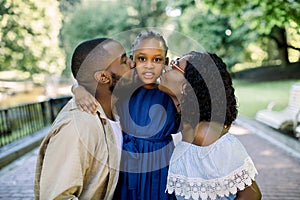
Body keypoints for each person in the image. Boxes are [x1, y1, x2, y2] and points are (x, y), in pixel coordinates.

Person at [73, 31, 180, 200]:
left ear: (165, 62)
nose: (149, 65)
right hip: (127, 164)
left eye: (157, 59)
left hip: (161, 165)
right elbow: (93, 80)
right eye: (142, 59)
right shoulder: (123, 88)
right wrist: (77, 89)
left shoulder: (170, 93)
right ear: (132, 60)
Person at [34, 38, 132, 200]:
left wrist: (77, 88)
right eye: (123, 60)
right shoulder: (77, 126)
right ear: (103, 77)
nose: (132, 63)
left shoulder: (117, 110)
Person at [159, 51, 262, 200]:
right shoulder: (188, 128)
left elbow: (252, 194)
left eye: (176, 64)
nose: (168, 65)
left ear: (187, 86)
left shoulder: (207, 134)